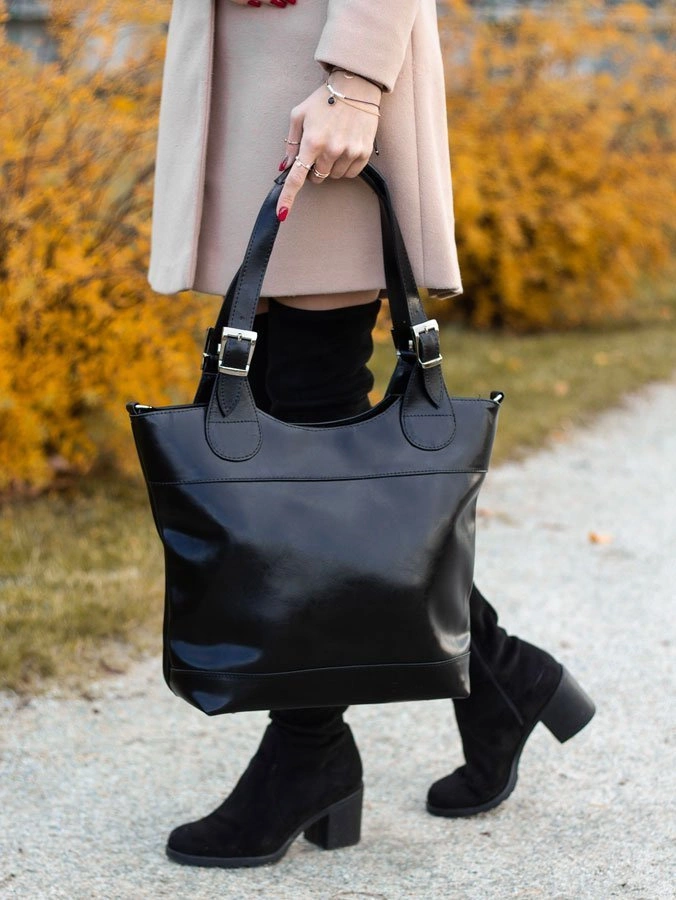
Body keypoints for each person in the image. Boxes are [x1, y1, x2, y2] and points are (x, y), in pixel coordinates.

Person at [148, 0, 595, 868]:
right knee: (286, 413)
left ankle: (309, 750)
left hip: (322, 74)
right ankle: (502, 679)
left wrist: (355, 84)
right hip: (261, 80)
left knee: (310, 430)